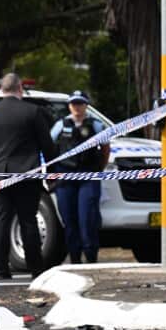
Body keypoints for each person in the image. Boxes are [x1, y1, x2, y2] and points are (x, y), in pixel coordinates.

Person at [0, 72, 58, 279]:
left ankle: (1, 268)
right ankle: (35, 268)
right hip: (26, 174)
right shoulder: (32, 112)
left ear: (1, 90)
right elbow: (47, 145)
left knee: (0, 221)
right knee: (28, 220)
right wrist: (52, 172)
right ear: (20, 88)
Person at [50, 90, 110, 264]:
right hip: (66, 177)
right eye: (74, 103)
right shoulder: (60, 125)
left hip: (88, 176)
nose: (77, 107)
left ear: (86, 105)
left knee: (87, 219)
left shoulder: (96, 125)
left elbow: (106, 149)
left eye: (80, 103)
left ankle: (91, 257)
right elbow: (49, 148)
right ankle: (75, 258)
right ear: (69, 106)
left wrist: (99, 169)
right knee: (69, 220)